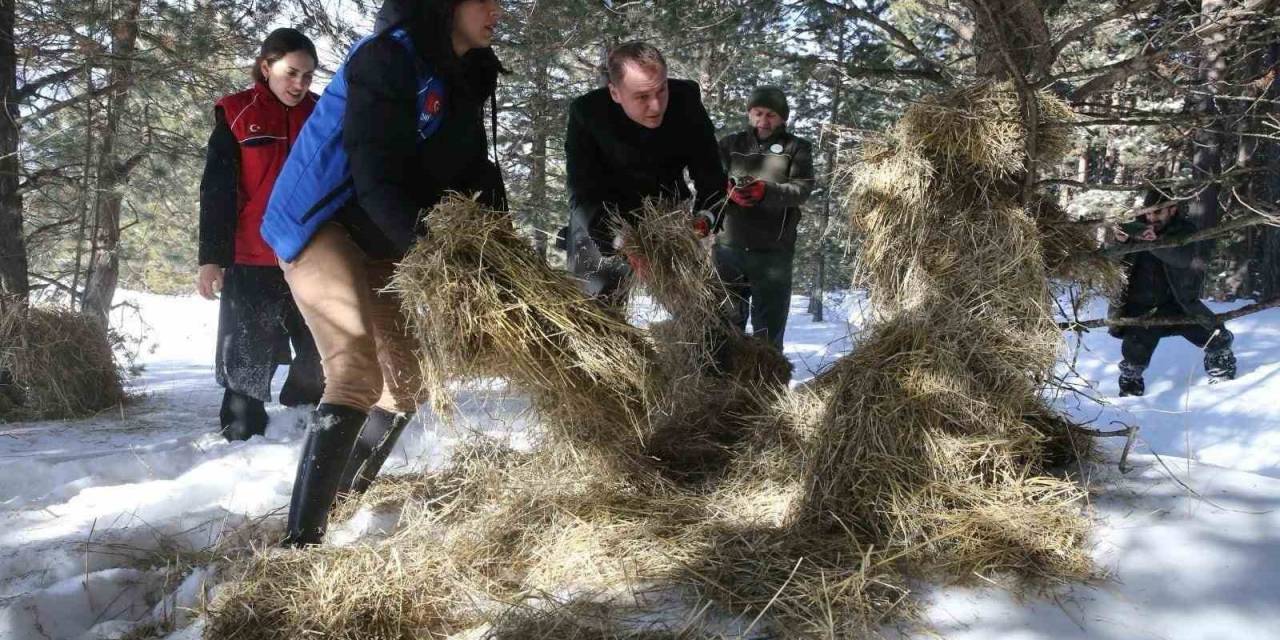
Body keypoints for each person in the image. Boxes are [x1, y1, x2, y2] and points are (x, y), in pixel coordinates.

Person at [268, 0, 506, 546]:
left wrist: (501, 252)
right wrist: (432, 256)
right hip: (320, 223)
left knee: (405, 383)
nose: (498, 10)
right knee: (354, 375)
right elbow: (374, 176)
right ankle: (298, 547)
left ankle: (342, 498)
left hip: (380, 234)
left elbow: (475, 171)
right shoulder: (385, 60)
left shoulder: (468, 70)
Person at [197, 28, 324, 442]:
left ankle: (301, 423)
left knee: (318, 351)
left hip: (311, 257)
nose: (300, 85)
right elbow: (217, 189)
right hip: (252, 257)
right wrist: (211, 258)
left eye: (307, 76)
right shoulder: (235, 113)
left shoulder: (321, 115)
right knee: (247, 356)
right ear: (266, 66)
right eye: (291, 73)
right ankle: (241, 434)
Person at [564, 41, 727, 304]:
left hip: (666, 215)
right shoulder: (587, 113)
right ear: (615, 93)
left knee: (703, 307)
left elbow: (710, 173)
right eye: (641, 97)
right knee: (598, 308)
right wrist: (621, 241)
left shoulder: (685, 99)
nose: (656, 106)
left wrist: (705, 218)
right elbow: (582, 193)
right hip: (604, 219)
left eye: (661, 90)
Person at [1107, 190, 1237, 397]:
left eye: (1157, 213)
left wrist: (1152, 242)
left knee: (1215, 336)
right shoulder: (1134, 229)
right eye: (1148, 214)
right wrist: (1119, 242)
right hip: (1141, 308)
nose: (1151, 218)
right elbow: (1111, 265)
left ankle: (1223, 378)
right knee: (1133, 357)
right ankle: (1130, 396)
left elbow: (1181, 258)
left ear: (1172, 209)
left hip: (1180, 304)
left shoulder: (1184, 230)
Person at [715, 86, 814, 351]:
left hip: (773, 252)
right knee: (725, 325)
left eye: (771, 114)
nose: (763, 120)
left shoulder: (797, 148)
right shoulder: (730, 144)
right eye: (757, 113)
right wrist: (729, 191)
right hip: (729, 249)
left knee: (768, 331)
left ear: (783, 118)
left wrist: (765, 191)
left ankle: (766, 388)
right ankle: (724, 386)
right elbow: (710, 181)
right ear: (749, 115)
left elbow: (801, 190)